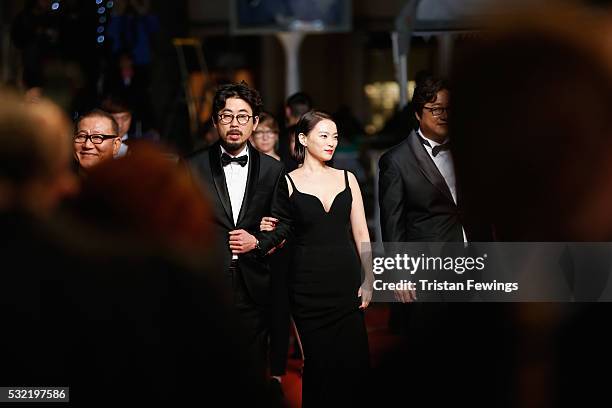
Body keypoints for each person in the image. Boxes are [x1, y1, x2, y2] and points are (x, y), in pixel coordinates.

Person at [261, 110, 373, 407]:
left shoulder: (348, 179)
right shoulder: (286, 182)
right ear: (303, 138)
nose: (331, 142)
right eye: (323, 135)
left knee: (356, 364)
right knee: (320, 366)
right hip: (306, 287)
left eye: (335, 136)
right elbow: (279, 229)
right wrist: (265, 229)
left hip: (346, 281)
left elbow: (362, 232)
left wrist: (370, 278)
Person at [186, 81, 292, 387]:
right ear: (215, 120)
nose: (235, 124)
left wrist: (257, 240)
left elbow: (285, 223)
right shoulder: (191, 167)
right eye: (227, 116)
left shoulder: (273, 170)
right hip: (206, 283)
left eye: (243, 116)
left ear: (255, 122)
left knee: (249, 374)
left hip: (254, 283)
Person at [73, 109, 121, 175]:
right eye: (81, 136)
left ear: (116, 145)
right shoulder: (60, 182)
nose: (87, 145)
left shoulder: (128, 183)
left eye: (97, 137)